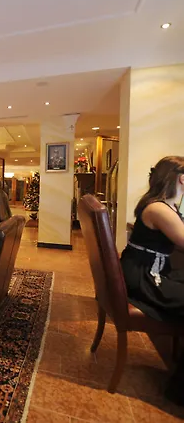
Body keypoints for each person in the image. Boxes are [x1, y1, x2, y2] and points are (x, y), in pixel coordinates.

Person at [119, 156, 184, 405]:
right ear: (181, 179)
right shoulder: (159, 209)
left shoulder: (162, 205)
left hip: (147, 269)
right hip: (145, 275)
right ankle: (178, 390)